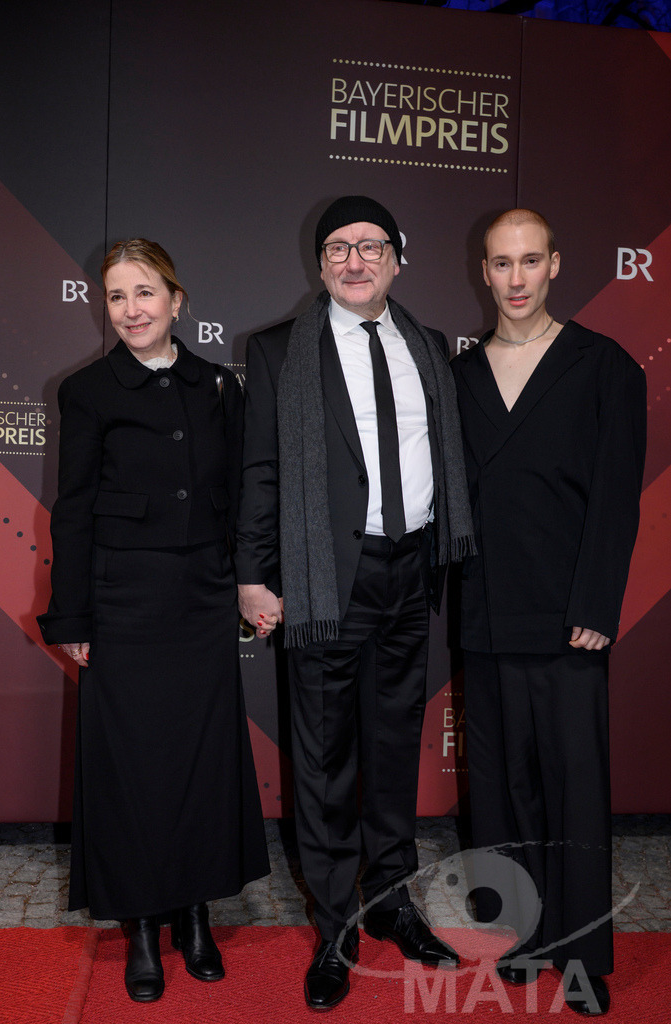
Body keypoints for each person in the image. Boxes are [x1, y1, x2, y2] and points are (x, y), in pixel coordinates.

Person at [236, 196, 475, 1010]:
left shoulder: (429, 348)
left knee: (392, 747)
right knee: (326, 760)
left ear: (397, 259)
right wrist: (253, 573)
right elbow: (261, 471)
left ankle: (392, 904)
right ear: (320, 264)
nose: (353, 260)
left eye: (369, 245)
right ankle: (334, 928)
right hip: (321, 578)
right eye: (336, 247)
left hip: (409, 571)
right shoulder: (276, 352)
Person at [37, 239, 269, 1003]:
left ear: (177, 299)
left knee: (201, 760)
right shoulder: (88, 390)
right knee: (131, 766)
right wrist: (71, 610)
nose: (131, 309)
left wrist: (245, 583)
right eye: (115, 296)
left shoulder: (216, 387)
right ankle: (139, 924)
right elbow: (71, 510)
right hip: (122, 600)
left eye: (144, 293)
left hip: (201, 597)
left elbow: (238, 498)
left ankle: (195, 914)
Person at [451, 209, 646, 1016]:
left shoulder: (605, 367)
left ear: (556, 265)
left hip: (570, 617)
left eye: (531, 261)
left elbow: (615, 499)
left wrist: (597, 603)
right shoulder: (458, 375)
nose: (517, 278)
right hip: (484, 611)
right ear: (484, 272)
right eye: (502, 263)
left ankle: (581, 954)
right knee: (497, 789)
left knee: (572, 788)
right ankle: (517, 938)